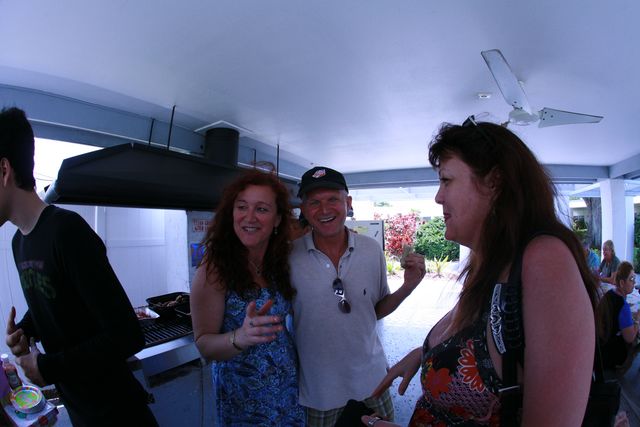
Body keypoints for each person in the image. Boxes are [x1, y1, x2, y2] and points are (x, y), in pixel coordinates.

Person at [364, 117, 599, 426]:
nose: (438, 196)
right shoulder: (490, 264)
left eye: (446, 180)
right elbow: (485, 347)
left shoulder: (544, 260)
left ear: (494, 182)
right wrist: (427, 354)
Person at [1, 106, 157, 426]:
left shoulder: (66, 231)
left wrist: (47, 368)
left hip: (119, 414)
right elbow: (56, 301)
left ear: (4, 171)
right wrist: (27, 329)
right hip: (81, 410)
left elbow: (127, 335)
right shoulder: (20, 243)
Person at [290, 166, 426, 426]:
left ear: (348, 203)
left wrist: (408, 287)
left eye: (333, 199)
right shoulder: (288, 257)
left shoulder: (371, 250)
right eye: (314, 202)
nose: (324, 209)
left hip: (373, 379)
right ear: (304, 209)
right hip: (318, 389)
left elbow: (376, 310)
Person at [190, 168, 305, 426]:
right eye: (242, 207)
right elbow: (203, 344)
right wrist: (241, 337)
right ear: (231, 212)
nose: (249, 217)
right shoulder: (214, 268)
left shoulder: (278, 261)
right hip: (244, 400)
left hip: (287, 391)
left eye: (261, 209)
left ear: (277, 219)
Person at [598, 261, 639, 370]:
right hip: (610, 353)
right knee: (635, 338)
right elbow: (630, 338)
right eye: (631, 279)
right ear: (621, 283)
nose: (634, 282)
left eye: (634, 278)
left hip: (600, 345)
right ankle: (623, 366)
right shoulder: (623, 306)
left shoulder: (609, 294)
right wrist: (637, 319)